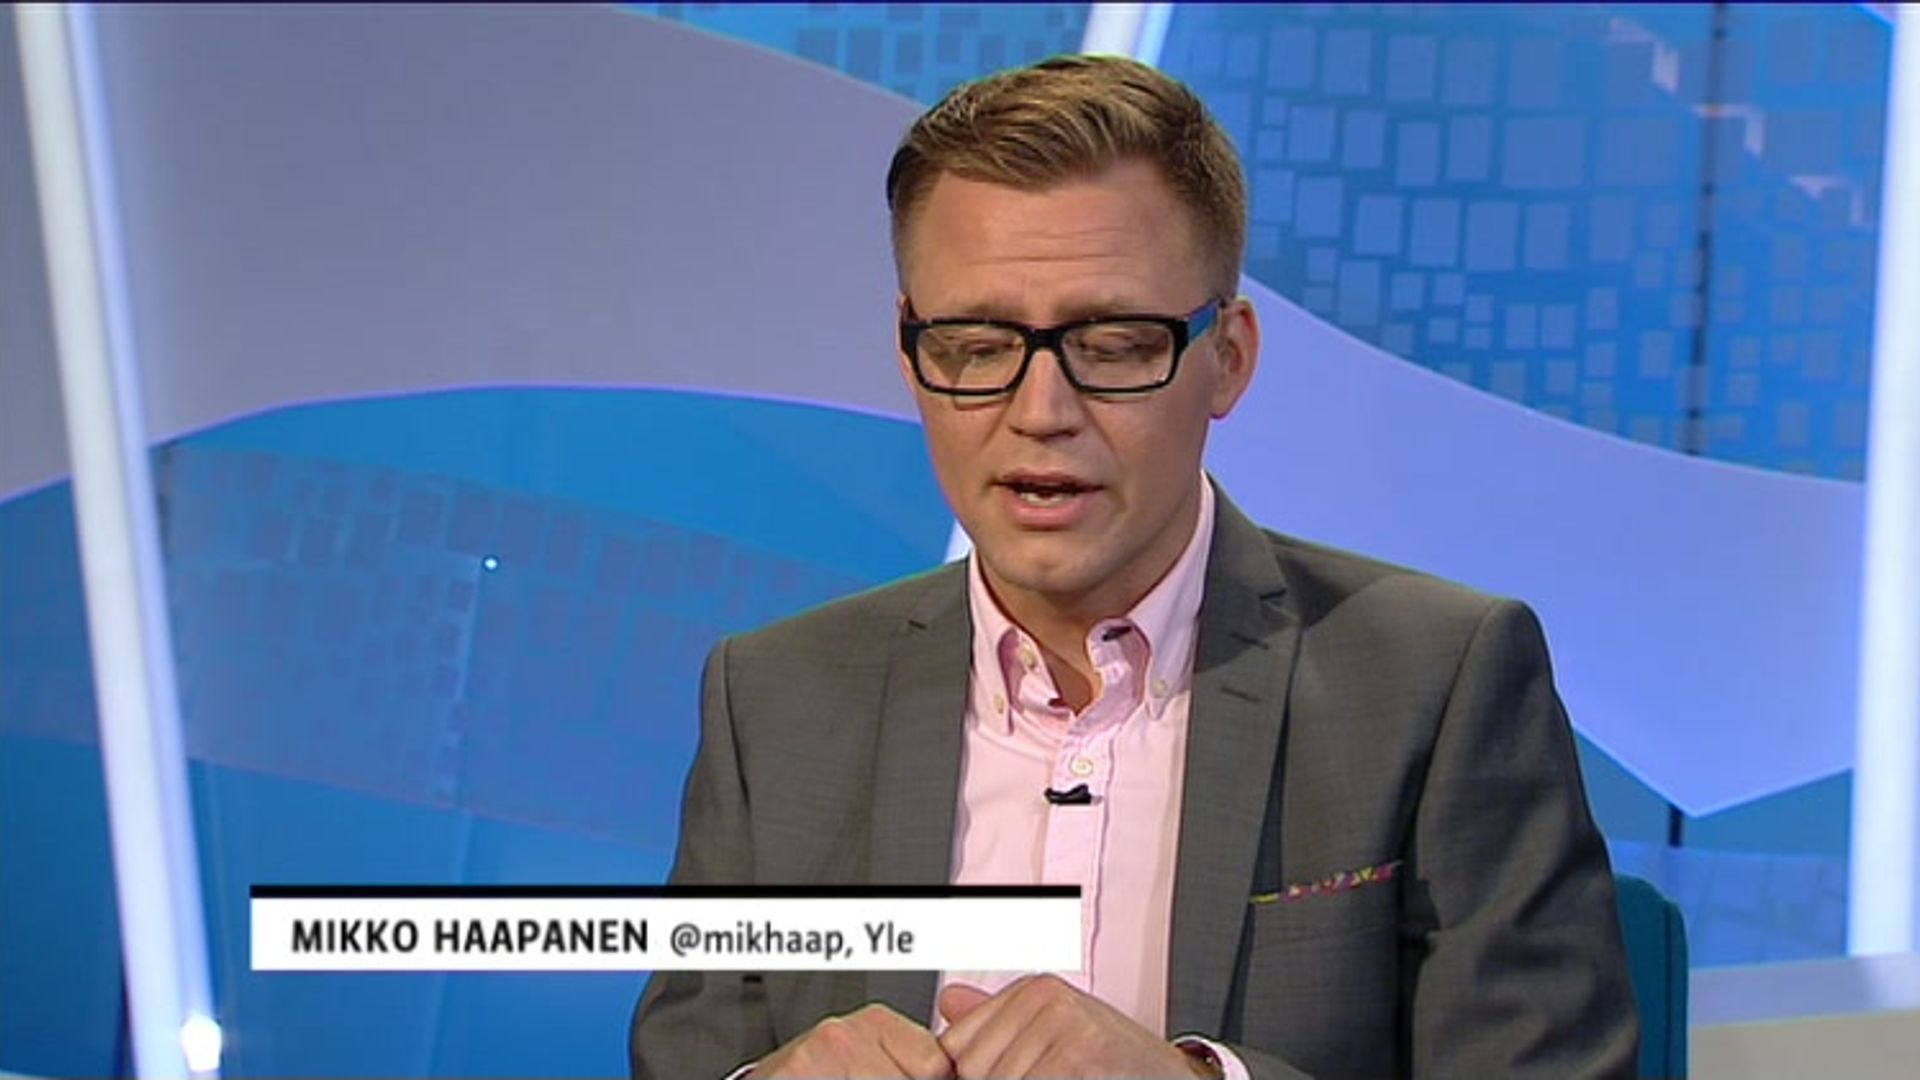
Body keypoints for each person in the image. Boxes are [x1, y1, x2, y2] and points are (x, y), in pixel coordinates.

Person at [630, 55, 1639, 1080]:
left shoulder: (1435, 682)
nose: (1040, 412)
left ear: (1228, 357)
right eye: (977, 344)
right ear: (908, 350)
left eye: (1113, 345)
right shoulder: (776, 701)